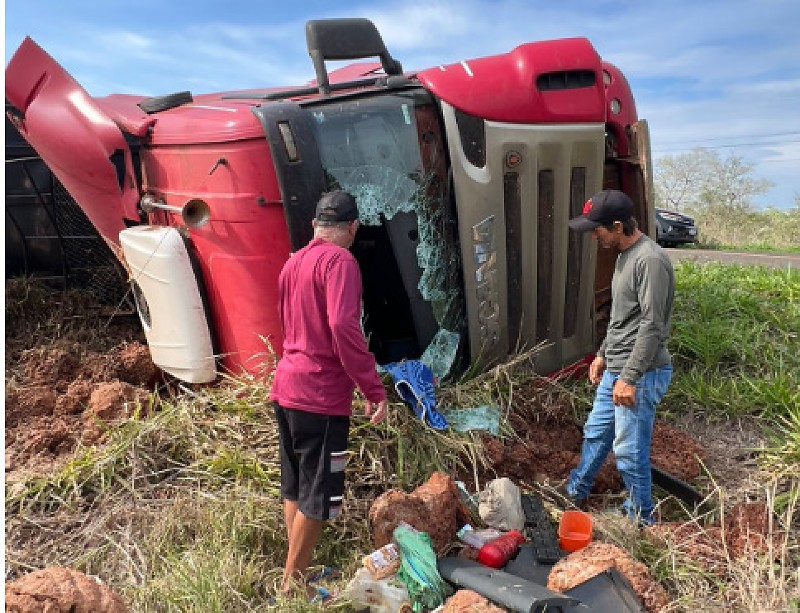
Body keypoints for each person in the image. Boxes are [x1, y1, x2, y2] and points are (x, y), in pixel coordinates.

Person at [270, 190, 388, 600]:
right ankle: (292, 587)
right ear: (353, 227)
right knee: (317, 496)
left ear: (315, 226)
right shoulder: (341, 261)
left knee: (296, 489)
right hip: (319, 395)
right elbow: (342, 325)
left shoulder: (293, 262)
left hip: (286, 388)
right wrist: (373, 388)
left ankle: (295, 572)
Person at [564, 189, 674, 526]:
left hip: (641, 372)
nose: (594, 236)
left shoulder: (650, 261)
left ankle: (641, 518)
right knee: (596, 432)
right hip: (618, 366)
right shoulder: (624, 256)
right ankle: (575, 492)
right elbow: (622, 317)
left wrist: (629, 376)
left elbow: (652, 324)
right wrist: (602, 355)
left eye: (597, 230)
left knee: (628, 451)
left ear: (616, 225)